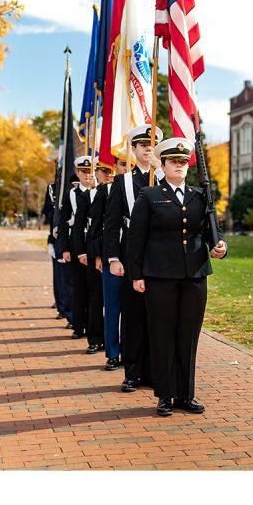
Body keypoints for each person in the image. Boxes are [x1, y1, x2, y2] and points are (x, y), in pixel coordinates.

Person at [125, 137, 228, 417]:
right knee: (162, 335)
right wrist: (136, 274)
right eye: (174, 162)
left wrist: (221, 246)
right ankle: (165, 396)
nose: (180, 166)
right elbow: (136, 239)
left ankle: (186, 394)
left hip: (194, 276)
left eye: (184, 162)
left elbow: (211, 232)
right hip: (160, 276)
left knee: (188, 335)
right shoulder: (149, 196)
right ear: (164, 164)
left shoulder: (199, 195)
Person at [103, 124, 164, 392]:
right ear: (134, 149)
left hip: (161, 255)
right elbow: (111, 223)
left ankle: (154, 372)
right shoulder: (122, 182)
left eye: (152, 145)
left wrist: (159, 169)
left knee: (158, 316)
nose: (148, 149)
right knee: (133, 315)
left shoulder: (165, 178)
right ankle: (133, 372)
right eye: (142, 145)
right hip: (132, 254)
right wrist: (113, 258)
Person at [86, 154, 130, 371]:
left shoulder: (146, 186)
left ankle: (131, 353)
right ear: (115, 167)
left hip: (135, 257)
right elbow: (96, 226)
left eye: (129, 165)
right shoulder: (107, 190)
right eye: (123, 164)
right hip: (111, 254)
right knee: (112, 306)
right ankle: (113, 353)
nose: (126, 168)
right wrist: (96, 255)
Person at [57, 156, 97, 343]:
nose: (88, 175)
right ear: (78, 173)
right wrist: (64, 248)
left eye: (91, 171)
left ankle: (93, 326)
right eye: (84, 172)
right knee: (79, 287)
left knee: (94, 289)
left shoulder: (99, 191)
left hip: (94, 242)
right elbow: (63, 223)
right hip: (76, 243)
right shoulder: (71, 194)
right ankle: (78, 324)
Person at [71, 156, 107, 355]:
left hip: (114, 252)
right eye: (103, 170)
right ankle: (95, 338)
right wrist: (82, 252)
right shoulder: (87, 196)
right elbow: (78, 227)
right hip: (94, 252)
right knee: (95, 298)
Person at [45, 179, 74, 326]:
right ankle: (65, 309)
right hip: (60, 239)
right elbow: (51, 213)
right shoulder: (54, 188)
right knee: (63, 278)